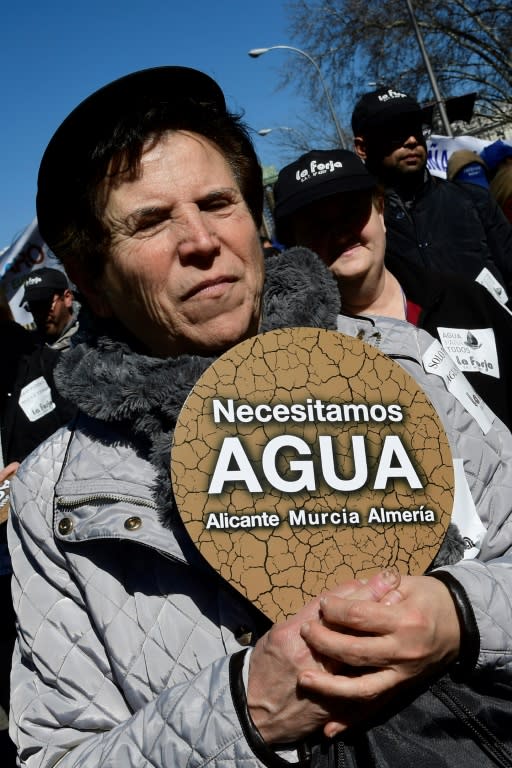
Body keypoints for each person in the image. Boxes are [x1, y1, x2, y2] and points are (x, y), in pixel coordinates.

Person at [7, 67, 512, 768]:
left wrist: (460, 614)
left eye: (218, 202)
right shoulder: (54, 494)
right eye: (151, 221)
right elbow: (56, 756)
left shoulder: (400, 363)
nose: (200, 240)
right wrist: (243, 712)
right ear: (91, 279)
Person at [273, 148, 512, 432]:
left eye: (352, 211)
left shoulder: (465, 301)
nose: (339, 231)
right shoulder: (303, 358)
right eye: (316, 224)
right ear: (295, 244)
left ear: (381, 211)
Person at [351, 87, 512, 294]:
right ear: (362, 148)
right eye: (394, 132)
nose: (411, 140)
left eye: (416, 128)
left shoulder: (474, 200)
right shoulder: (358, 226)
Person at [20, 266, 78, 349]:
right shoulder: (27, 346)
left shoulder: (90, 339)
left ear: (67, 297)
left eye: (45, 305)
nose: (40, 314)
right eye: (34, 307)